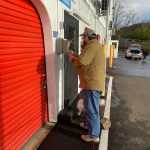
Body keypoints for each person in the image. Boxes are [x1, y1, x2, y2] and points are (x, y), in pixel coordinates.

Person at [67, 27, 106, 143]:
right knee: (89, 108)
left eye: (84, 37)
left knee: (92, 109)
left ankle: (94, 135)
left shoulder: (92, 46)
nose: (83, 39)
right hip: (89, 83)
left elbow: (83, 61)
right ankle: (90, 126)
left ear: (89, 37)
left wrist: (72, 58)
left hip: (92, 84)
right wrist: (75, 56)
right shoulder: (93, 46)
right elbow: (85, 59)